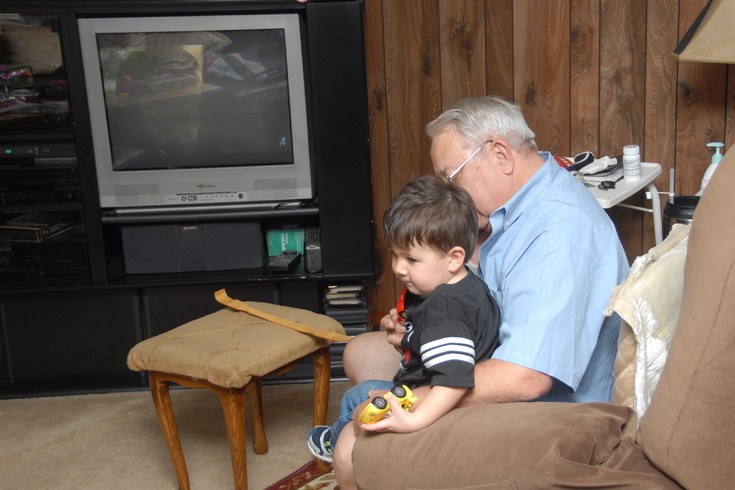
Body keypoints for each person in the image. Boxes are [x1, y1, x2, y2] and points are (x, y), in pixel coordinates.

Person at [335, 96, 629, 486]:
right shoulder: (515, 208)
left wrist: (419, 397)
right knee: (360, 352)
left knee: (360, 407)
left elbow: (526, 378)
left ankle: (356, 456)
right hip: (493, 359)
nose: (447, 192)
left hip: (550, 413)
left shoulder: (559, 235)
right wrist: (414, 331)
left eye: (451, 177)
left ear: (501, 156)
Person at [308, 175, 500, 470]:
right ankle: (336, 436)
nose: (398, 268)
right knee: (356, 396)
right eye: (395, 255)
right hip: (424, 380)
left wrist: (414, 420)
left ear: (454, 258)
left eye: (410, 259)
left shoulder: (444, 314)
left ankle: (334, 442)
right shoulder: (461, 285)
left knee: (355, 397)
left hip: (428, 400)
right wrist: (409, 330)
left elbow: (453, 380)